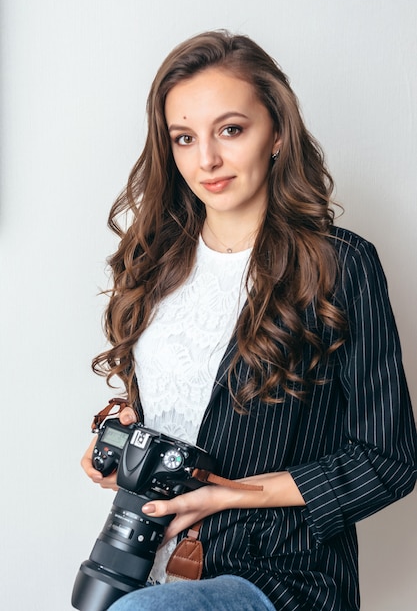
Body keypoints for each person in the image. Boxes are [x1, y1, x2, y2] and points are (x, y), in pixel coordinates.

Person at [81, 30, 417, 611]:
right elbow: (181, 404)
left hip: (279, 574)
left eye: (231, 130)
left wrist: (229, 496)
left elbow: (388, 459)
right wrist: (120, 436)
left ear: (278, 133)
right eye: (184, 138)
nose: (206, 159)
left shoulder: (339, 264)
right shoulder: (156, 261)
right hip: (142, 560)